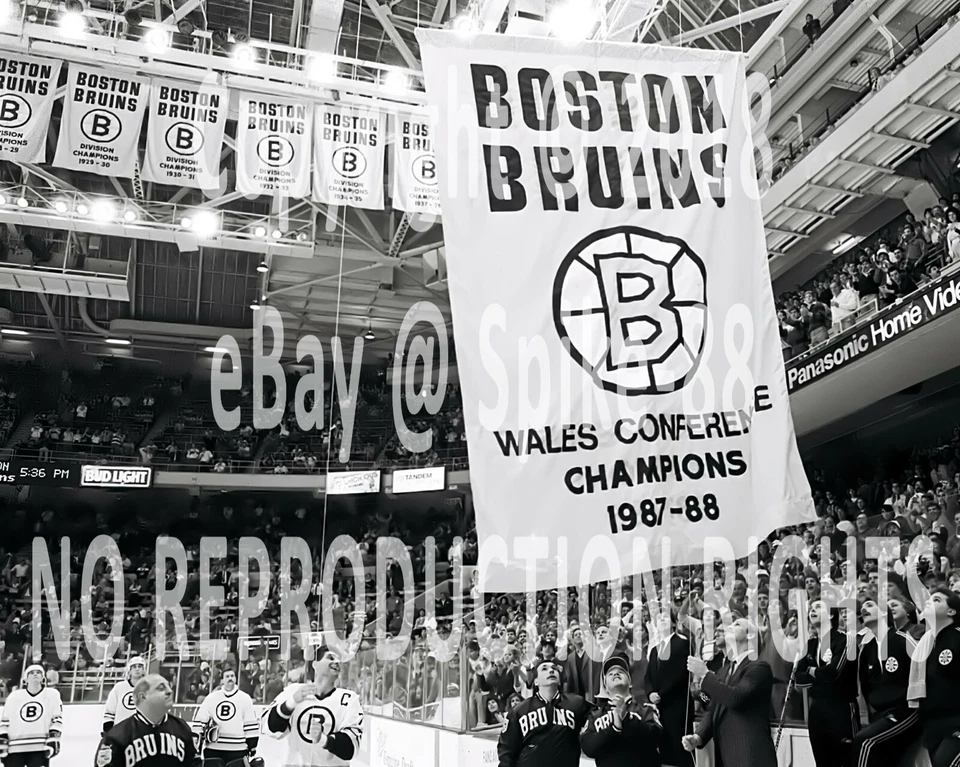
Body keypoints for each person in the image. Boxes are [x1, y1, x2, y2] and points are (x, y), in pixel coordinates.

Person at [681, 618, 777, 767]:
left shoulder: (759, 667)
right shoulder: (724, 670)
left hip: (751, 755)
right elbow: (715, 709)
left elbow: (735, 698)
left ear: (750, 635)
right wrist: (698, 736)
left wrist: (705, 674)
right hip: (727, 755)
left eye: (736, 624)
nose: (729, 627)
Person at [262, 648, 364, 767]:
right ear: (315, 664)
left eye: (338, 659)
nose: (337, 662)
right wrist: (290, 703)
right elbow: (270, 729)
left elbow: (350, 749)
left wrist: (323, 739)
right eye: (330, 658)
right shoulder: (293, 692)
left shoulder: (349, 699)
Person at [852, 598, 919, 767]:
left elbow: (921, 673)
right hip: (881, 715)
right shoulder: (867, 649)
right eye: (862, 607)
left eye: (869, 605)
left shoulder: (903, 640)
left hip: (907, 711)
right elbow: (866, 688)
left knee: (864, 741)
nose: (863, 609)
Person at [795, 599, 860, 767]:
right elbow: (797, 679)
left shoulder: (845, 640)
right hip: (816, 710)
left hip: (841, 708)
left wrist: (810, 670)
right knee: (822, 761)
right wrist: (819, 673)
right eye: (811, 608)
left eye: (818, 607)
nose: (812, 610)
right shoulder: (810, 645)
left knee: (846, 760)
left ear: (831, 614)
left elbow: (832, 673)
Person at [497, 658, 592, 767]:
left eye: (554, 669)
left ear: (560, 680)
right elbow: (506, 751)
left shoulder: (577, 703)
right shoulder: (519, 711)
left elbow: (598, 719)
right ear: (536, 681)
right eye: (544, 669)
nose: (551, 671)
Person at [93, 673, 200, 766]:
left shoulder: (182, 728)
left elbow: (194, 763)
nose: (169, 691)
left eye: (169, 686)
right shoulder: (117, 736)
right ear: (142, 696)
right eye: (161, 688)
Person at [581, 652, 663, 767]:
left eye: (621, 671)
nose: (615, 673)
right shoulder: (594, 715)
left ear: (630, 683)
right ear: (605, 687)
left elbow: (656, 738)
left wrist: (626, 718)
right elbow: (588, 747)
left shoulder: (646, 709)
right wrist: (613, 729)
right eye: (610, 674)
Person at [907, 588, 960, 767]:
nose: (929, 601)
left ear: (951, 611)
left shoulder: (957, 638)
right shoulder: (928, 643)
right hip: (933, 723)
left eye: (936, 600)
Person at [644, 609, 693, 767]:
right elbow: (648, 677)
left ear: (673, 623)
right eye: (659, 618)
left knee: (679, 747)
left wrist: (661, 694)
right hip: (660, 706)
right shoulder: (654, 650)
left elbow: (680, 674)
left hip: (678, 704)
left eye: (665, 617)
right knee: (663, 746)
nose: (662, 619)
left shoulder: (682, 643)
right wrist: (650, 693)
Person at [191, 666, 261, 766]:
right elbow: (200, 721)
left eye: (232, 676)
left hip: (238, 749)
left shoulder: (245, 698)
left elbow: (250, 724)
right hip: (213, 749)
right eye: (227, 676)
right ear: (222, 680)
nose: (230, 678)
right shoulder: (212, 698)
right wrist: (196, 743)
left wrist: (252, 745)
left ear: (236, 679)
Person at [0, 665, 62, 767]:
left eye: (38, 672)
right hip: (14, 747)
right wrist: (2, 740)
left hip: (39, 746)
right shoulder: (14, 696)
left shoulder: (52, 694)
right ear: (25, 679)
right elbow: (5, 721)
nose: (35, 674)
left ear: (43, 678)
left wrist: (53, 739)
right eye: (31, 673)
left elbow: (57, 718)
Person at [103, 656, 147, 734]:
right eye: (134, 667)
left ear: (144, 670)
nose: (137, 669)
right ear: (129, 671)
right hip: (121, 732)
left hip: (142, 732)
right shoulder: (119, 687)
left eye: (140, 666)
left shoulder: (150, 687)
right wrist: (108, 731)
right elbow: (110, 711)